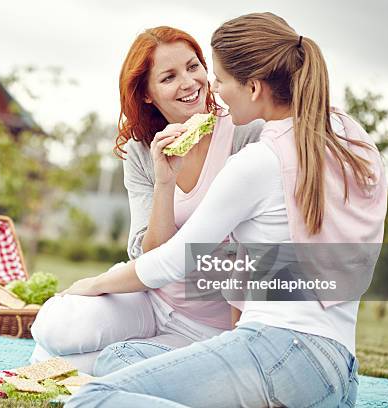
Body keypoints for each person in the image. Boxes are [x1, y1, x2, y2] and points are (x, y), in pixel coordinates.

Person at [63, 12, 387, 407]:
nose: (212, 89)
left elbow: (171, 262)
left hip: (278, 353)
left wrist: (94, 284)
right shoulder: (353, 143)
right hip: (338, 372)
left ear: (252, 87)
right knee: (121, 359)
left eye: (219, 78)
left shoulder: (258, 162)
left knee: (91, 398)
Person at [29, 26, 263, 375]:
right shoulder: (141, 151)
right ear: (148, 95)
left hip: (212, 327)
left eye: (193, 66)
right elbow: (150, 255)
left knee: (89, 368)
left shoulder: (244, 132)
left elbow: (257, 255)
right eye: (169, 77)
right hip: (150, 298)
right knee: (56, 326)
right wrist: (164, 182)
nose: (189, 82)